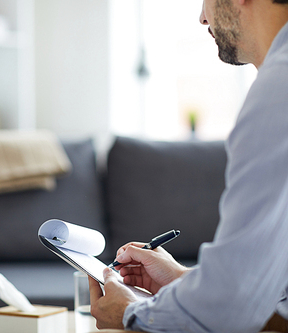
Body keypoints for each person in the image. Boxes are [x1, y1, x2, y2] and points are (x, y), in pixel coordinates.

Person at [89, 0, 288, 332]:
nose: (202, 17)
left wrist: (130, 313)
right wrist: (183, 280)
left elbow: (231, 307)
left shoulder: (278, 91)